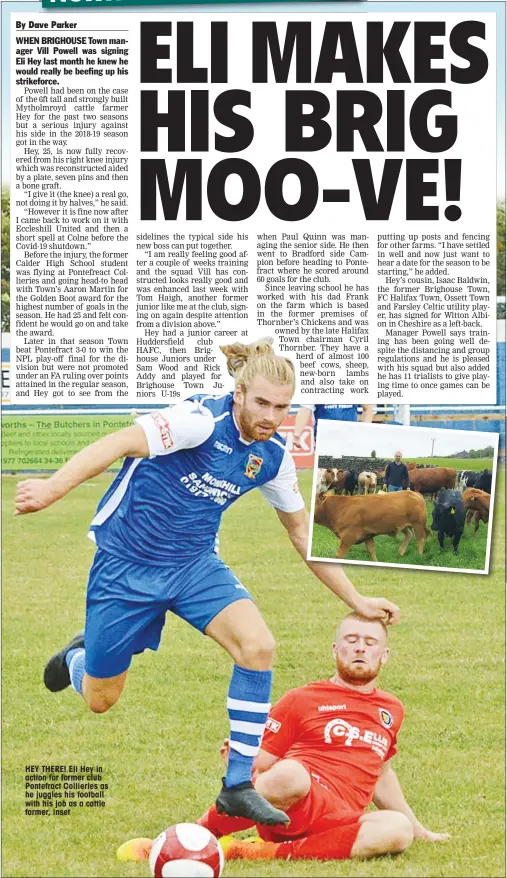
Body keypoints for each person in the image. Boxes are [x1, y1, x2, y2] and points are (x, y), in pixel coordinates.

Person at [15, 339, 399, 828]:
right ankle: (77, 657)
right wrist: (51, 487)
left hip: (194, 566)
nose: (271, 416)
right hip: (126, 566)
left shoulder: (273, 457)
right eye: (261, 403)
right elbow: (118, 443)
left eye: (281, 407)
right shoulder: (197, 421)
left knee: (258, 647)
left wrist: (357, 598)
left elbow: (301, 532)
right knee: (100, 699)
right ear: (238, 393)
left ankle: (237, 785)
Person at [118, 613, 449, 865]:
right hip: (296, 804)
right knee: (291, 773)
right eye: (351, 639)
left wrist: (418, 828)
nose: (360, 647)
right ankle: (187, 838)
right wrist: (240, 758)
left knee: (398, 830)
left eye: (370, 642)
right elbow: (266, 759)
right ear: (335, 649)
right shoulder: (303, 698)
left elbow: (383, 774)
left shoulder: (392, 709)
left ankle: (256, 853)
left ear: (384, 655)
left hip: (343, 820)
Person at [293, 403, 374, 451]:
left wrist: (364, 432)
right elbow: (305, 409)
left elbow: (368, 408)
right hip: (325, 442)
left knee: (350, 477)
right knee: (326, 476)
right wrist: (297, 434)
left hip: (350, 441)